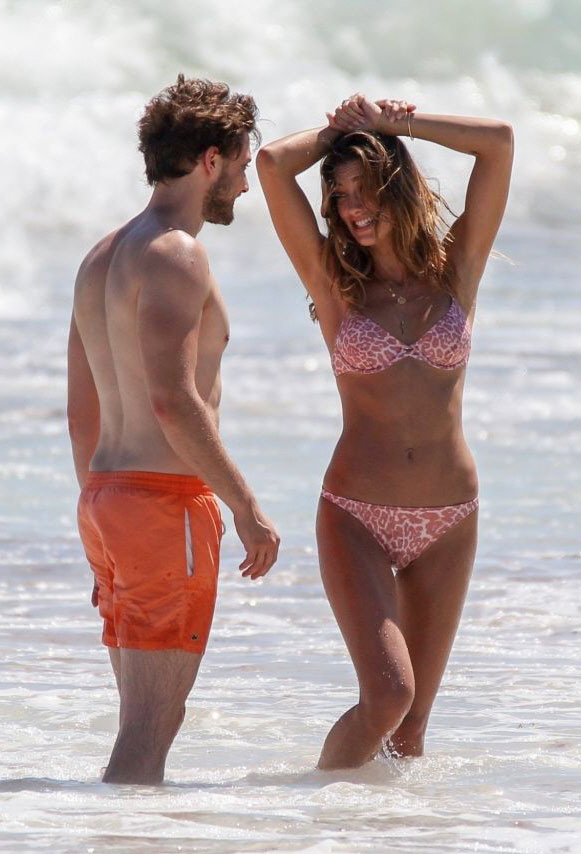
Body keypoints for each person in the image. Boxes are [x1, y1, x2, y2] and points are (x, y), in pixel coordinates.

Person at [257, 94, 513, 769]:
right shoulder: (334, 284)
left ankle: (382, 825)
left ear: (396, 184)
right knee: (388, 696)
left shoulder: (455, 273)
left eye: (363, 187)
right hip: (357, 515)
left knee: (411, 730)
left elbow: (498, 143)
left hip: (449, 518)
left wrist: (396, 124)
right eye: (338, 195)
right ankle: (312, 810)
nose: (350, 207)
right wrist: (341, 131)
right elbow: (271, 163)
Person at [67, 75, 280, 785]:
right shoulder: (176, 253)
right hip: (162, 503)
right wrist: (245, 507)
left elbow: (81, 409)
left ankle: (114, 831)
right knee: (150, 728)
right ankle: (121, 833)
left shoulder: (101, 257)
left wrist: (102, 514)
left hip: (106, 496)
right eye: (242, 166)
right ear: (211, 160)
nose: (245, 185)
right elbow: (173, 400)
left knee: (140, 720)